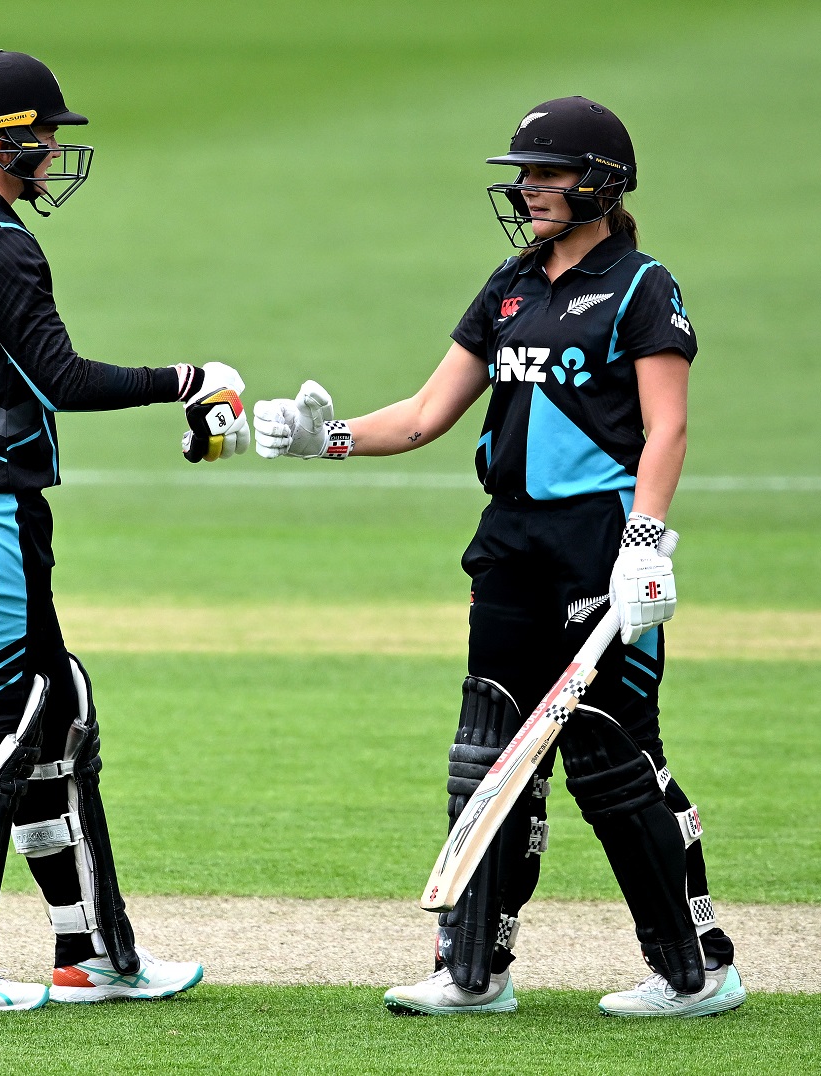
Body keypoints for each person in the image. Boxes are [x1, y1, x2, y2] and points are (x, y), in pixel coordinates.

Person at [252, 96, 743, 1018]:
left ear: (599, 182)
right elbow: (426, 414)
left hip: (600, 544)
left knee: (612, 754)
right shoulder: (509, 285)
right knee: (487, 751)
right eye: (524, 175)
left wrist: (644, 541)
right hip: (510, 546)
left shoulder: (642, 287)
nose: (527, 190)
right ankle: (472, 971)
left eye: (547, 174)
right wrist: (327, 439)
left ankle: (697, 968)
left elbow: (666, 424)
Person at [0, 50, 248, 1011]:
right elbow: (63, 378)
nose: (54, 150)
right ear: (3, 143)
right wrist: (189, 380)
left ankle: (91, 952)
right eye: (43, 135)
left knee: (58, 709)